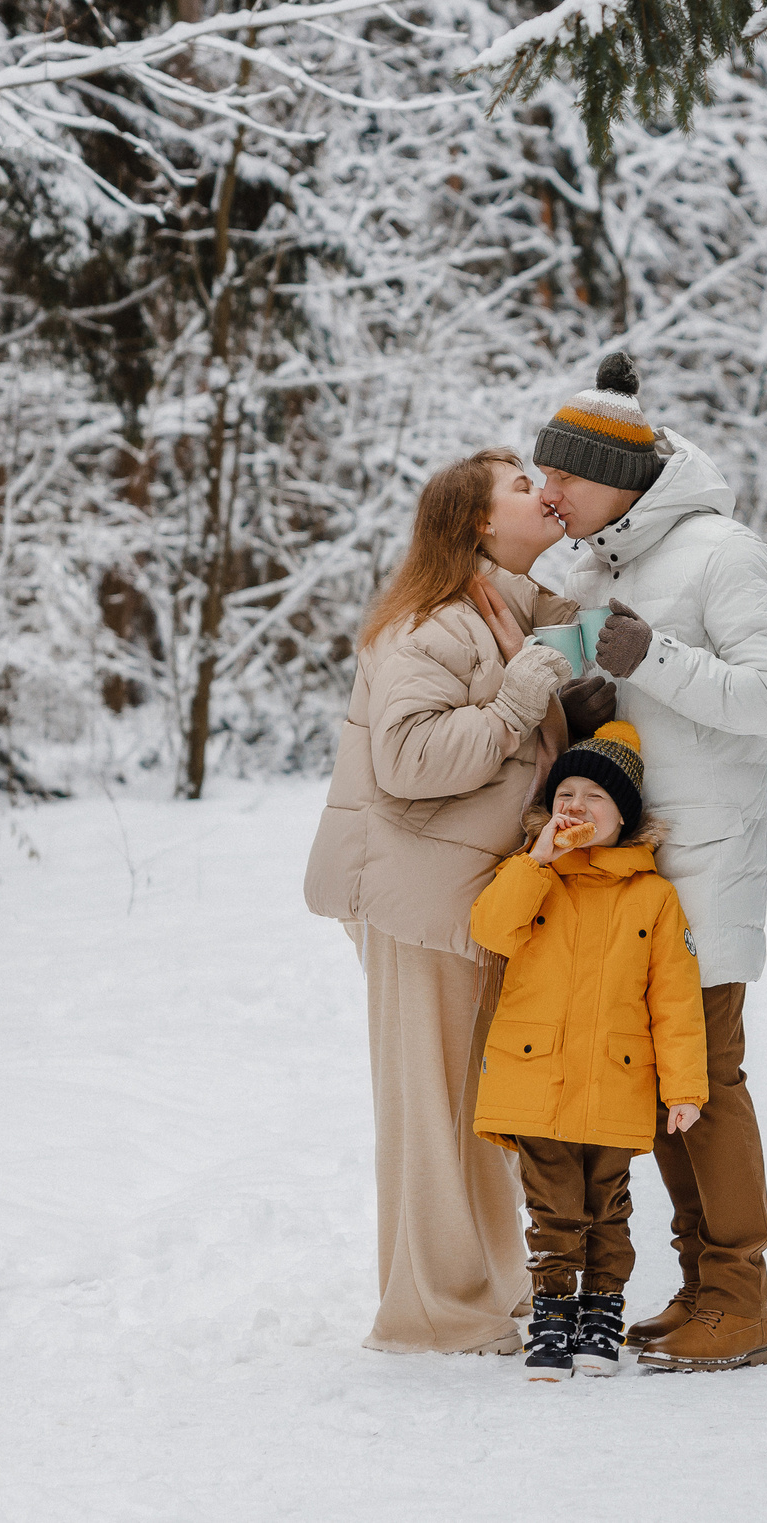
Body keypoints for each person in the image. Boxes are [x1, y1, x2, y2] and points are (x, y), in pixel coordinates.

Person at [302, 448, 611, 1355]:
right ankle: (432, 1310)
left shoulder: (509, 609)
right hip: (416, 896)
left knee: (480, 1103)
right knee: (428, 1107)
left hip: (477, 895)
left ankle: (483, 1285)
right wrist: (518, 704)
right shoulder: (431, 624)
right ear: (476, 522)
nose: (541, 493)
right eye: (521, 486)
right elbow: (408, 761)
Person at [533, 353, 767, 1372]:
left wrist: (650, 658)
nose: (545, 493)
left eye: (558, 475)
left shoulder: (719, 553)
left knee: (709, 1082)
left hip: (704, 866)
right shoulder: (601, 565)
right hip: (631, 877)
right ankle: (704, 1293)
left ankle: (739, 1298)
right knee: (664, 1092)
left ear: (617, 477)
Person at [469, 721, 709, 1381]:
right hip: (535, 1076)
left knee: (607, 1205)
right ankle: (552, 1312)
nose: (574, 804)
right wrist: (536, 861)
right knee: (552, 1208)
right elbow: (490, 928)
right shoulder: (535, 877)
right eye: (564, 792)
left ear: (624, 815)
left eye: (593, 795)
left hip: (614, 1081)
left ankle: (601, 1310)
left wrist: (684, 1088)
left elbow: (675, 1000)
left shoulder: (653, 897)